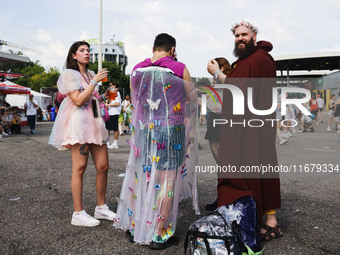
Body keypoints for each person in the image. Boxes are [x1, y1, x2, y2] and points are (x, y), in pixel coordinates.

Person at [114, 33, 199, 250]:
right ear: (172, 49)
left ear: (153, 48)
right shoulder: (178, 67)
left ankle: (136, 227)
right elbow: (192, 97)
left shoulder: (136, 69)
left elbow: (135, 99)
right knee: (167, 179)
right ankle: (159, 232)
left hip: (144, 129)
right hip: (171, 128)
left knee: (143, 176)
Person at [207, 21, 282, 243]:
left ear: (254, 35)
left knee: (250, 171)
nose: (240, 38)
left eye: (244, 35)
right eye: (237, 35)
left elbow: (238, 88)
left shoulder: (258, 59)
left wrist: (218, 74)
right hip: (251, 125)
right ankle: (266, 221)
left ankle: (266, 222)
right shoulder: (250, 60)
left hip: (253, 127)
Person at [49, 41, 116, 227]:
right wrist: (94, 83)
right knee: (80, 168)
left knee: (103, 166)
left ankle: (101, 207)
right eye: (82, 50)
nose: (87, 53)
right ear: (73, 55)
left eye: (88, 50)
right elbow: (78, 100)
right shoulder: (69, 74)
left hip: (95, 123)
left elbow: (91, 99)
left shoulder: (91, 74)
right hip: (79, 125)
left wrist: (105, 95)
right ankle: (78, 213)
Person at [204, 57, 232, 211]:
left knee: (225, 163)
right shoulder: (215, 81)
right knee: (220, 164)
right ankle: (221, 197)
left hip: (224, 119)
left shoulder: (227, 79)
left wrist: (217, 75)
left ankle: (227, 198)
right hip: (213, 118)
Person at [105, 82, 121, 149]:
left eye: (111, 85)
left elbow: (117, 104)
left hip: (115, 112)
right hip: (110, 112)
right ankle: (108, 142)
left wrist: (108, 105)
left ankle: (115, 143)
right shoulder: (111, 93)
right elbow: (111, 103)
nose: (110, 86)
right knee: (107, 128)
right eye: (110, 85)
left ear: (115, 85)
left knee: (115, 128)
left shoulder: (117, 93)